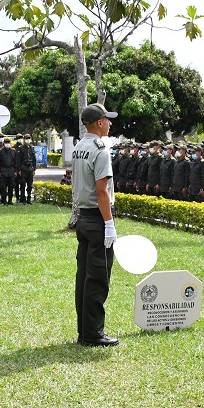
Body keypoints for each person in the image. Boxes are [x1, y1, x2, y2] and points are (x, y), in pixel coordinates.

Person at [73, 103, 119, 347]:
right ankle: (92, 334)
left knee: (84, 277)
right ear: (99, 122)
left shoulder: (80, 146)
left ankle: (84, 330)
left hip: (83, 218)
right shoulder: (100, 150)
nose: (110, 124)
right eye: (107, 120)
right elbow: (102, 191)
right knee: (98, 279)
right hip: (97, 219)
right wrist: (109, 224)